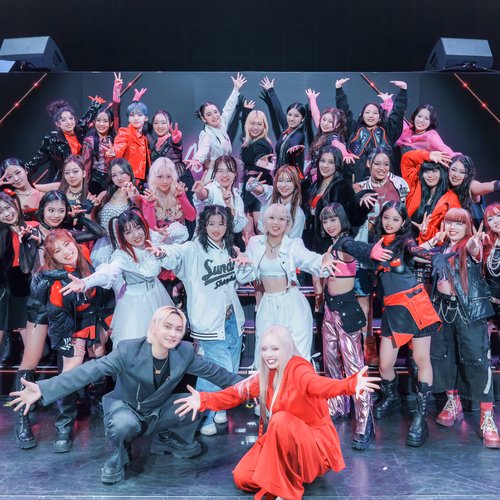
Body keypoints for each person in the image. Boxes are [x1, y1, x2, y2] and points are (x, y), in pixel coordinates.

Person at [9, 306, 243, 484]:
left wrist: (252, 387)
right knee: (123, 424)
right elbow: (90, 370)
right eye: (168, 326)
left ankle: (165, 438)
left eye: (179, 329)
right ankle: (119, 452)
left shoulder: (185, 352)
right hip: (128, 409)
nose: (173, 334)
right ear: (154, 326)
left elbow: (218, 374)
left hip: (158, 410)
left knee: (195, 403)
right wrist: (43, 389)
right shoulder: (128, 350)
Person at [174, 325, 380, 500]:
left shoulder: (299, 369)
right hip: (281, 441)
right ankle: (288, 474)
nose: (268, 354)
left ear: (286, 348)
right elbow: (236, 393)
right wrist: (203, 399)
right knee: (243, 477)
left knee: (280, 419)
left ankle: (287, 490)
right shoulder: (267, 374)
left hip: (313, 445)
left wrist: (350, 385)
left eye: (274, 348)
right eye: (264, 349)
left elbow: (318, 385)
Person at [150, 205, 245, 436]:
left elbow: (240, 278)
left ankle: (219, 407)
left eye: (221, 224)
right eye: (211, 223)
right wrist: (162, 252)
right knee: (217, 371)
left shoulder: (230, 250)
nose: (216, 228)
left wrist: (244, 261)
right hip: (208, 322)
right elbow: (175, 252)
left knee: (230, 368)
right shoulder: (194, 249)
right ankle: (204, 417)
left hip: (233, 319)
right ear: (203, 225)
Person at [319, 203, 391, 450]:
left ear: (342, 220)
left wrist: (370, 251)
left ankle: (364, 421)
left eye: (333, 219)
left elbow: (354, 247)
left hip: (346, 310)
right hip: (330, 310)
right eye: (325, 220)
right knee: (331, 363)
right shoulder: (332, 244)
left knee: (355, 368)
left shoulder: (344, 242)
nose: (329, 224)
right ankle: (337, 406)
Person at [30, 229, 110, 453]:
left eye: (67, 244)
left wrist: (105, 326)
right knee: (70, 373)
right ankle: (64, 425)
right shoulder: (55, 280)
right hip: (71, 326)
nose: (66, 252)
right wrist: (67, 341)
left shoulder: (85, 255)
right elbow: (57, 316)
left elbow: (103, 294)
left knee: (101, 362)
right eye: (58, 251)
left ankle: (97, 400)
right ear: (52, 257)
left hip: (95, 319)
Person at [371, 201, 441, 447]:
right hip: (392, 310)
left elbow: (415, 249)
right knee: (385, 364)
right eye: (386, 217)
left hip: (415, 304)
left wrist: (433, 253)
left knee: (421, 360)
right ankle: (392, 398)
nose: (389, 223)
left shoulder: (405, 242)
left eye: (395, 219)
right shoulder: (376, 244)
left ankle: (420, 416)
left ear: (403, 223)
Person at [428, 208, 498, 448]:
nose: (453, 227)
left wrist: (475, 243)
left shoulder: (469, 243)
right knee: (445, 358)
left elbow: (474, 250)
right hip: (443, 310)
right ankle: (453, 402)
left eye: (459, 223)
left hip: (469, 312)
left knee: (477, 362)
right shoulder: (442, 247)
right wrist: (430, 240)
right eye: (449, 222)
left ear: (467, 226)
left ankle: (487, 418)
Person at [61, 208, 181, 346]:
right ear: (122, 236)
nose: (136, 235)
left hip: (157, 295)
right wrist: (85, 282)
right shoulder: (122, 255)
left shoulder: (153, 242)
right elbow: (108, 272)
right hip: (135, 303)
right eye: (128, 232)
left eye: (138, 228)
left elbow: (175, 253)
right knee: (138, 345)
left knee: (162, 342)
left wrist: (162, 251)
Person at [235, 203, 337, 364]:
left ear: (288, 223)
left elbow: (309, 259)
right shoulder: (255, 243)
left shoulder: (293, 245)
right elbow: (243, 275)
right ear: (264, 221)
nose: (276, 222)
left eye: (281, 219)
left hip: (292, 304)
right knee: (266, 354)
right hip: (267, 305)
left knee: (296, 355)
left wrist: (322, 261)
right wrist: (242, 262)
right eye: (272, 218)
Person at [335, 78, 407, 182]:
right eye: (367, 112)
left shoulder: (388, 131)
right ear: (362, 115)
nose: (371, 116)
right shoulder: (354, 129)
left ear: (380, 117)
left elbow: (398, 113)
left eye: (375, 113)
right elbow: (344, 111)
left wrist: (403, 91)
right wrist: (339, 89)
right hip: (355, 180)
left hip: (383, 181)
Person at [25, 98, 102, 182]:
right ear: (58, 124)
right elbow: (39, 158)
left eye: (71, 118)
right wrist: (25, 170)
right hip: (61, 180)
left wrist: (95, 106)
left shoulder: (79, 131)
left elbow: (86, 119)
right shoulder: (52, 140)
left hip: (79, 177)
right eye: (63, 120)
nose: (69, 122)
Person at [186, 73, 247, 174]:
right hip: (213, 173)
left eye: (216, 112)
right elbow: (203, 149)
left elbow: (228, 109)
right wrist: (197, 159)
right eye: (209, 114)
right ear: (203, 118)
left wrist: (236, 89)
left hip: (227, 169)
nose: (214, 116)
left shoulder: (221, 124)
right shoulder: (206, 134)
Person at [240, 102, 274, 239]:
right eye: (252, 123)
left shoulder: (262, 143)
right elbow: (245, 128)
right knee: (248, 233)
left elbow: (268, 166)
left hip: (260, 185)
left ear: (264, 126)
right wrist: (246, 112)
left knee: (261, 229)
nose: (255, 127)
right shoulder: (249, 141)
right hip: (249, 184)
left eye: (259, 124)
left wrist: (262, 163)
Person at [259, 76, 306, 172]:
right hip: (279, 173)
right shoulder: (286, 128)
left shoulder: (299, 134)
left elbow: (294, 141)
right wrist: (271, 90)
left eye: (296, 116)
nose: (292, 119)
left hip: (291, 176)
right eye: (289, 115)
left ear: (302, 119)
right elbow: (278, 110)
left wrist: (294, 147)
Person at [245, 164, 305, 239]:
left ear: (296, 184)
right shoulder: (271, 194)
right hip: (261, 240)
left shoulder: (298, 214)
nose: (283, 185)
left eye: (289, 181)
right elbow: (260, 190)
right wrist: (252, 185)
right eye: (280, 180)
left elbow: (293, 241)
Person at [192, 155, 247, 234]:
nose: (224, 175)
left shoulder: (236, 195)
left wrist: (229, 205)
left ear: (235, 173)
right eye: (220, 171)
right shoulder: (212, 188)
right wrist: (199, 192)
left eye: (229, 171)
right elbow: (205, 195)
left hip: (226, 240)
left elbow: (237, 228)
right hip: (205, 239)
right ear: (215, 173)